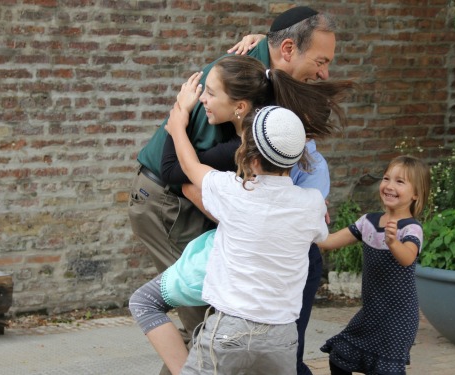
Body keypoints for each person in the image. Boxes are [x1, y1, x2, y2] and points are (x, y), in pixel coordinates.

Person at [127, 7, 339, 374]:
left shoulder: (269, 78)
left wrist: (240, 217)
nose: (325, 73)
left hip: (215, 200)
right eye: (321, 61)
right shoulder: (231, 83)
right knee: (208, 324)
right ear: (287, 49)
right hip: (172, 201)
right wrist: (178, 119)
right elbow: (181, 174)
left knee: (211, 331)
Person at [317, 156, 431, 375]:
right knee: (339, 356)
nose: (389, 185)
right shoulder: (367, 222)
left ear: (416, 194)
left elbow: (408, 258)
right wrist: (311, 216)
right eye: (387, 178)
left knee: (384, 370)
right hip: (370, 313)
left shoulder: (411, 228)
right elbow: (328, 242)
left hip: (399, 318)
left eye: (400, 181)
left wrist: (393, 243)